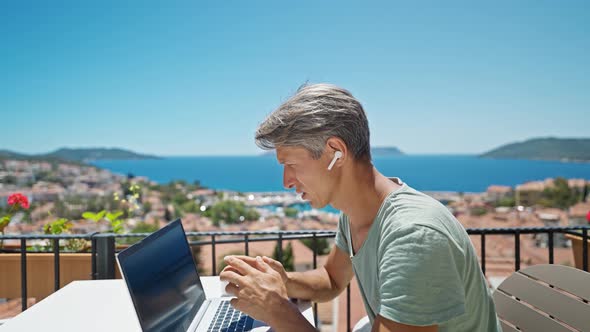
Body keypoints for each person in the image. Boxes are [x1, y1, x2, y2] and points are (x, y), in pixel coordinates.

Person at [220, 83, 501, 332]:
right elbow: (331, 279)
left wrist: (276, 309)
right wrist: (282, 280)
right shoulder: (356, 213)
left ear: (335, 152)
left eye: (291, 165)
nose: (286, 181)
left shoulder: (413, 235)